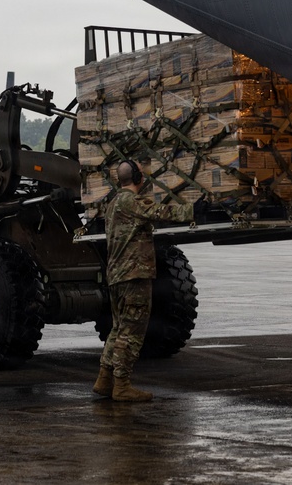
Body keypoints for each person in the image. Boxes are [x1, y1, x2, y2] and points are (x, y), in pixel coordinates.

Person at [94, 160, 195, 402]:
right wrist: (191, 210)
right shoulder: (131, 201)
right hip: (134, 276)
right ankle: (122, 385)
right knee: (132, 332)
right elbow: (160, 213)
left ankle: (104, 379)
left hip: (117, 275)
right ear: (139, 177)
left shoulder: (112, 203)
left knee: (119, 329)